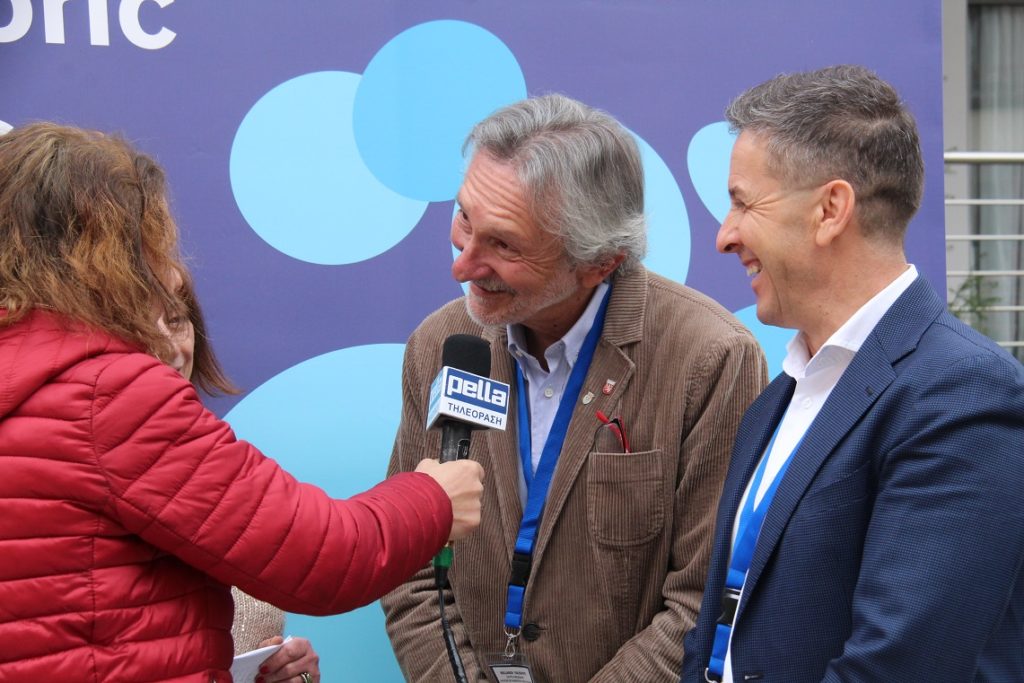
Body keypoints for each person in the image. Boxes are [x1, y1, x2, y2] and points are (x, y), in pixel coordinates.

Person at [0, 122, 485, 683]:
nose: (173, 274)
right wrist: (433, 500)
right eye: (151, 247)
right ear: (99, 255)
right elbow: (323, 557)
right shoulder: (104, 396)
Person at [382, 94, 768, 682]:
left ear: (600, 262)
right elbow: (411, 565)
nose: (462, 266)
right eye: (464, 219)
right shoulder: (440, 344)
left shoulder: (711, 359)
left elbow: (702, 598)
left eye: (504, 244)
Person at [681, 65, 1024, 682]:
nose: (725, 237)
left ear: (831, 209)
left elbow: (899, 668)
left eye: (743, 202)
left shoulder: (963, 396)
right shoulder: (780, 397)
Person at [157, 280, 320, 682]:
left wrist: (289, 672)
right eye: (140, 326)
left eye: (176, 320)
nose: (171, 348)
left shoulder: (226, 468)